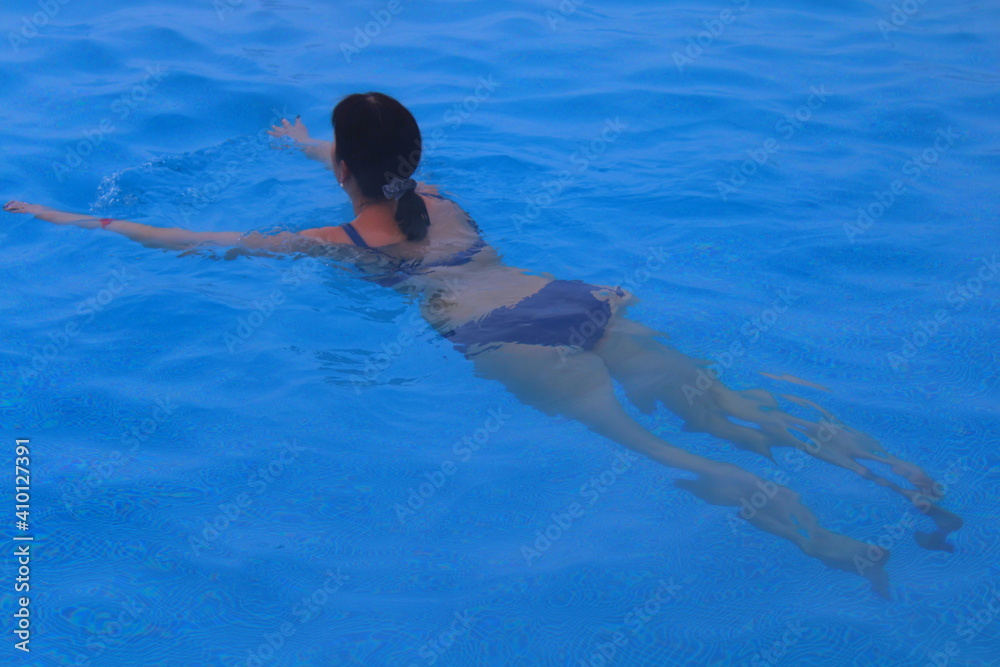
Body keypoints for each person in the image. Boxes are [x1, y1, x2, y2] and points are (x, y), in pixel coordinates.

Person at [3, 92, 962, 597]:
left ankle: (832, 542)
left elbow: (188, 241)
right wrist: (317, 144)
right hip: (563, 295)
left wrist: (62, 216)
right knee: (741, 403)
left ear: (344, 173)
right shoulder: (446, 200)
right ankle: (908, 481)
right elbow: (382, 166)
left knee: (662, 448)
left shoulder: (338, 242)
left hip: (499, 336)